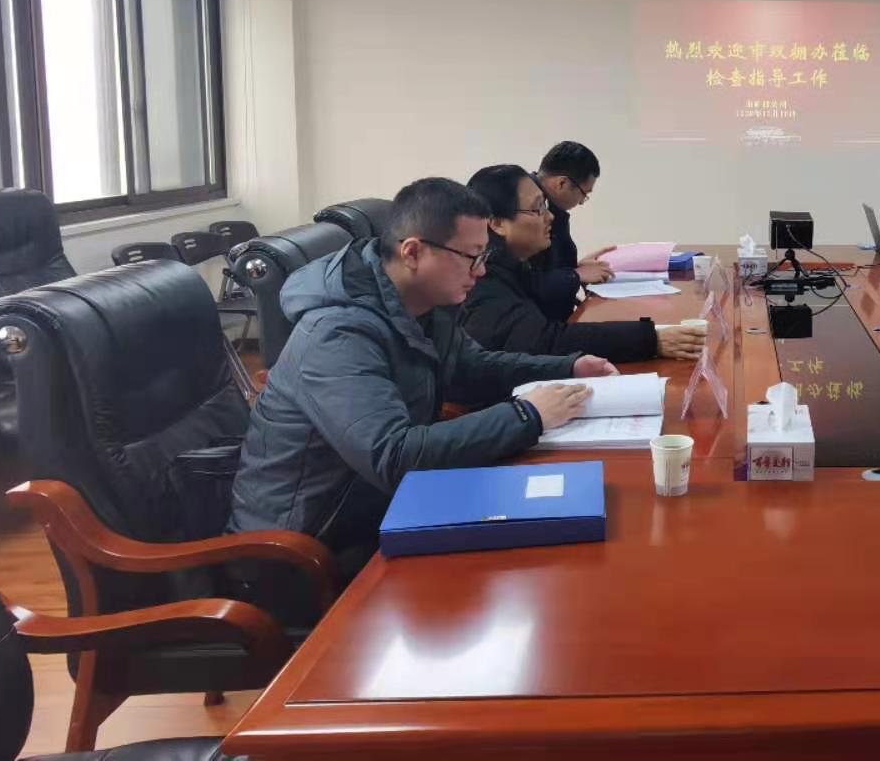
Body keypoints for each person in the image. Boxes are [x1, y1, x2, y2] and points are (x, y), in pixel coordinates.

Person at [228, 177, 618, 566]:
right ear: (413, 252)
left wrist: (568, 367)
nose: (482, 271)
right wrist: (527, 414)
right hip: (304, 554)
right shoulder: (335, 335)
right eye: (472, 257)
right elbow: (393, 456)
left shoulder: (425, 303)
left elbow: (471, 366)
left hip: (386, 511)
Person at [462, 164, 706, 363]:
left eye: (545, 205)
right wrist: (651, 339)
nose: (550, 216)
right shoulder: (483, 277)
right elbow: (545, 341)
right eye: (537, 208)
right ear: (497, 223)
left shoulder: (515, 264)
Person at [526, 141, 613, 320]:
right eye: (584, 193)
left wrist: (576, 268)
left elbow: (547, 269)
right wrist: (574, 275)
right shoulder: (525, 211)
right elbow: (525, 283)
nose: (581, 202)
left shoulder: (551, 206)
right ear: (562, 183)